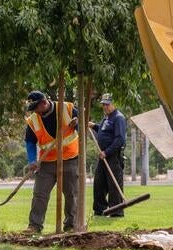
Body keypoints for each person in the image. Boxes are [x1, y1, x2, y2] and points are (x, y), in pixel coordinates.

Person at [22, 91, 80, 234]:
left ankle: (71, 225)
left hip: (69, 158)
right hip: (46, 162)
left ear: (44, 102)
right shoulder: (34, 120)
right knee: (39, 194)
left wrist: (78, 122)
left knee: (71, 194)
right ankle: (34, 226)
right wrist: (32, 161)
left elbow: (84, 125)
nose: (35, 112)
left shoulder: (67, 108)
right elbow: (30, 142)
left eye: (36, 108)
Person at [89, 93, 127, 217]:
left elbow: (119, 139)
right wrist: (94, 126)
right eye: (103, 104)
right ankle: (99, 210)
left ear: (113, 104)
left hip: (113, 156)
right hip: (103, 156)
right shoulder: (107, 117)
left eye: (107, 104)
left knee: (113, 184)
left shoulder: (118, 118)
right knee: (99, 182)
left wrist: (107, 152)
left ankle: (116, 211)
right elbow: (104, 130)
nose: (105, 107)